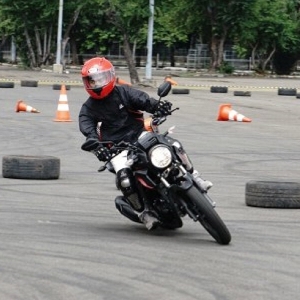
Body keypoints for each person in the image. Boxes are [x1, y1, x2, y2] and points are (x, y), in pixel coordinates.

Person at [79, 57, 212, 230]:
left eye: (101, 78)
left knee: (173, 145)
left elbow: (143, 100)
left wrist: (159, 106)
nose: (97, 83)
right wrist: (97, 146)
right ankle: (144, 213)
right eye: (93, 80)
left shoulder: (124, 93)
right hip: (117, 149)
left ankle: (195, 176)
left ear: (110, 76)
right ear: (86, 83)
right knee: (125, 179)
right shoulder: (88, 109)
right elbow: (87, 128)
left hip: (141, 135)